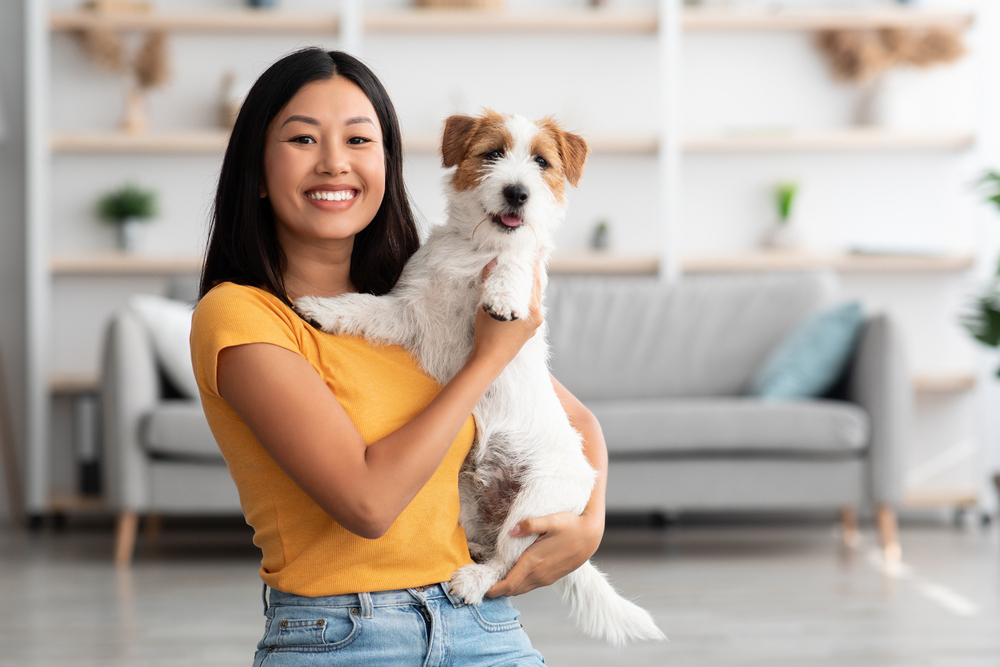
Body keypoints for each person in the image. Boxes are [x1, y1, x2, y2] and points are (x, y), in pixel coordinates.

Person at [190, 47, 609, 666]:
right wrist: (485, 362)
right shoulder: (243, 317)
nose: (335, 162)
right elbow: (367, 504)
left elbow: (575, 421)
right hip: (344, 636)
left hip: (483, 623)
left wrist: (589, 527)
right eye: (304, 139)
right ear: (255, 168)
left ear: (387, 165)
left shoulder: (420, 289)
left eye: (360, 140)